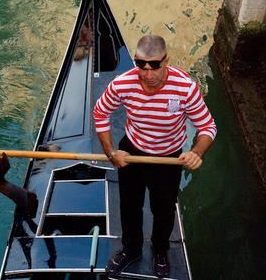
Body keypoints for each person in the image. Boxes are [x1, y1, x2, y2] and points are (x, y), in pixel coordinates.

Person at [93, 34, 217, 278]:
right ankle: (131, 250)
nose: (147, 74)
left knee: (163, 210)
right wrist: (110, 153)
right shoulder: (122, 83)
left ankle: (160, 250)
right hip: (131, 153)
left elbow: (208, 127)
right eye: (141, 65)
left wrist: (196, 152)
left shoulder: (185, 87)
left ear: (166, 61)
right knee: (129, 207)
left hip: (168, 158)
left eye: (155, 66)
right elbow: (100, 113)